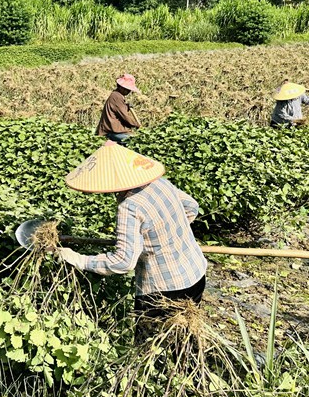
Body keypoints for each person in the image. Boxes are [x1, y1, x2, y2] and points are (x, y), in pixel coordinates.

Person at [57, 141, 207, 332]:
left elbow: (123, 262)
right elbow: (191, 207)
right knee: (185, 338)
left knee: (150, 347)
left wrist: (80, 260)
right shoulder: (160, 183)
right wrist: (166, 233)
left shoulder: (130, 206)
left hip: (164, 290)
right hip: (195, 273)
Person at [96, 74, 141, 145]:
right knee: (135, 141)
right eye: (127, 89)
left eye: (129, 90)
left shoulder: (117, 96)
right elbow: (125, 116)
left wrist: (126, 107)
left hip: (114, 130)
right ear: (120, 87)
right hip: (110, 132)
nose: (128, 91)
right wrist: (136, 125)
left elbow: (118, 110)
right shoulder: (116, 96)